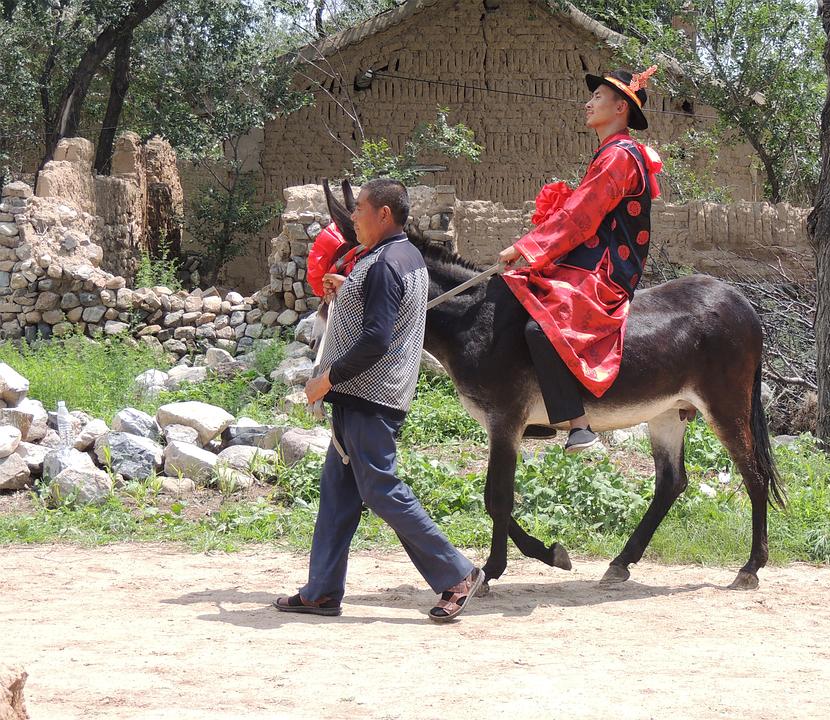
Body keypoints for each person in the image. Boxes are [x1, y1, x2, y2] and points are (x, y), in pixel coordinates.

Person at [274, 178, 484, 622]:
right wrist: (347, 287)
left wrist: (326, 379)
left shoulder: (386, 263)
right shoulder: (397, 256)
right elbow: (377, 305)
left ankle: (458, 573)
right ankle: (322, 591)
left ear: (383, 214)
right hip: (362, 396)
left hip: (370, 395)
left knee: (379, 488)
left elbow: (376, 339)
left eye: (360, 210)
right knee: (338, 495)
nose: (353, 217)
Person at [498, 67, 662, 453]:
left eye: (597, 97)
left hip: (606, 268)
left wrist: (527, 246)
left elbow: (581, 214)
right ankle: (534, 409)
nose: (588, 104)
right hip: (588, 259)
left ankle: (579, 424)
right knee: (514, 302)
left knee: (541, 327)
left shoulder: (619, 156)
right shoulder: (611, 153)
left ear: (620, 108)